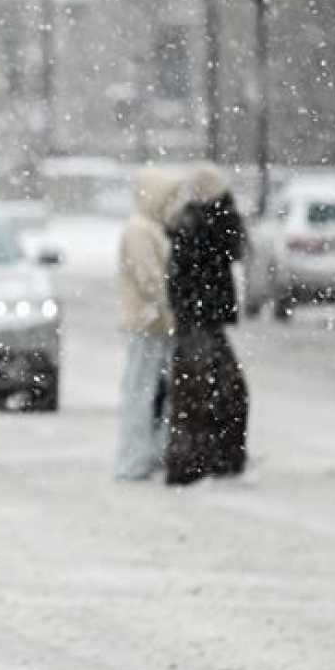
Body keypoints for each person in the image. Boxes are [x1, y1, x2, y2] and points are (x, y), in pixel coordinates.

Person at [164, 164, 250, 485]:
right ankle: (206, 459)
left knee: (198, 392)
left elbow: (181, 275)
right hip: (202, 319)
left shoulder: (193, 222)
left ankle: (197, 459)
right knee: (206, 392)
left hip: (196, 318)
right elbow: (231, 250)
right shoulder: (210, 223)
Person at [115, 167, 182, 481]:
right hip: (149, 323)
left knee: (151, 391)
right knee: (142, 392)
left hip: (154, 322)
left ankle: (148, 454)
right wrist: (168, 307)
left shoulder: (150, 228)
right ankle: (135, 458)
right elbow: (150, 279)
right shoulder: (141, 230)